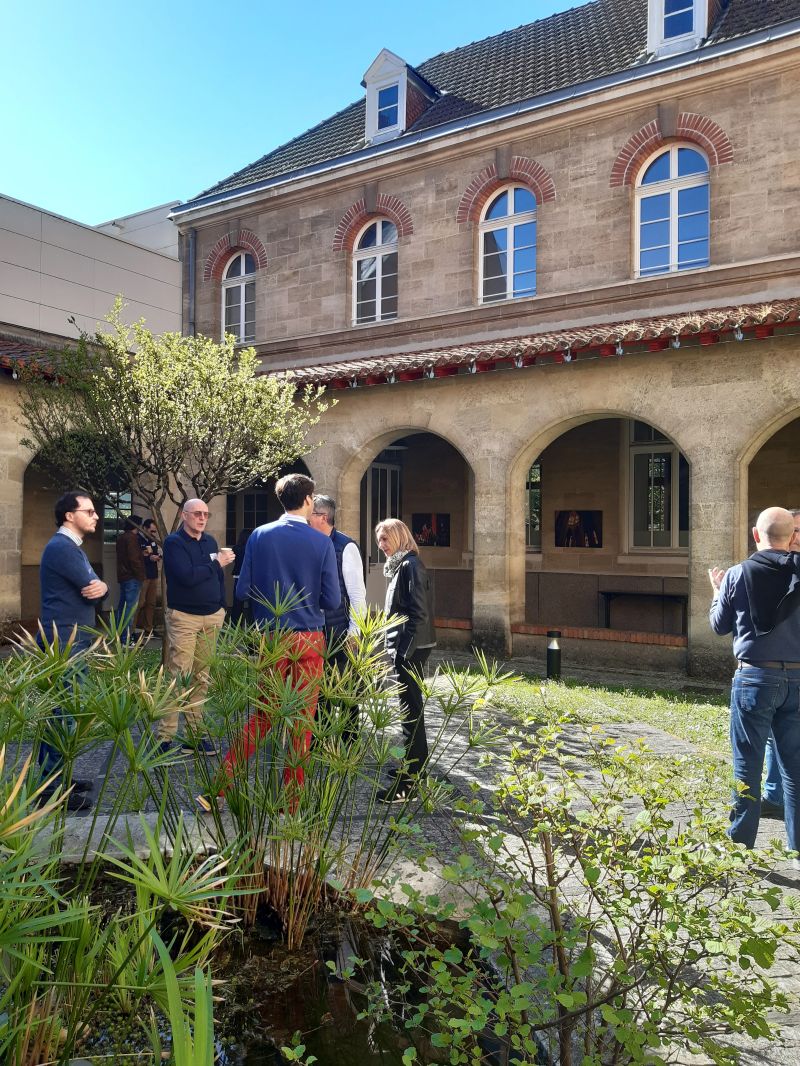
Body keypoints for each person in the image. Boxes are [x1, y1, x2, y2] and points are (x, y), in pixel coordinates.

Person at [199, 473, 339, 809]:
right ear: (309, 500)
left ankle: (217, 787)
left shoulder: (259, 536)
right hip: (308, 637)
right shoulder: (322, 542)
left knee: (262, 716)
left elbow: (244, 589)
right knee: (302, 721)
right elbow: (332, 600)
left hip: (271, 636)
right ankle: (291, 805)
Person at [709, 506, 800, 862]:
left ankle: (739, 846)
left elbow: (718, 626)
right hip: (798, 677)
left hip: (755, 677)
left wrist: (717, 592)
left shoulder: (737, 574)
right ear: (792, 536)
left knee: (747, 764)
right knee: (795, 769)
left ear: (755, 535)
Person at [36, 490, 108, 811]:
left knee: (65, 713)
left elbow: (96, 587)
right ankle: (50, 790)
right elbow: (92, 591)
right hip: (63, 642)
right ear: (69, 515)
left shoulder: (69, 548)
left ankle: (58, 779)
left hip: (71, 640)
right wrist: (101, 586)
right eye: (89, 511)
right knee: (60, 714)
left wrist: (101, 585)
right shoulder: (62, 548)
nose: (95, 516)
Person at [160, 499, 234, 754]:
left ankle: (195, 736)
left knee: (202, 678)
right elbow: (187, 577)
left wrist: (221, 606)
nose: (202, 518)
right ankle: (165, 738)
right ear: (184, 515)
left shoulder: (210, 542)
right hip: (185, 616)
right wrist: (217, 563)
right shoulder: (174, 543)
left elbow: (215, 577)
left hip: (212, 616)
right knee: (179, 675)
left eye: (206, 514)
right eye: (197, 514)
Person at [375, 518, 436, 803]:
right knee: (410, 711)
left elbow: (419, 613)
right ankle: (415, 769)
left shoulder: (411, 565)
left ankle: (410, 782)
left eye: (385, 539)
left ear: (399, 538)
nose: (381, 545)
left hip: (410, 649)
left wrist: (403, 652)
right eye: (379, 540)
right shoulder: (403, 565)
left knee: (410, 713)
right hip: (407, 648)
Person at [309, 494, 367, 743]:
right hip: (314, 629)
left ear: (322, 517)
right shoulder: (309, 542)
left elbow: (356, 593)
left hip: (340, 630)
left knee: (344, 688)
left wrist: (355, 632)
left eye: (309, 513)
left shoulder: (346, 546)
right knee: (318, 690)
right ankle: (319, 741)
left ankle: (349, 739)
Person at [761, 506, 800, 817]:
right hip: (779, 671)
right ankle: (774, 796)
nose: (795, 538)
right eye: (793, 531)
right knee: (779, 735)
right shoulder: (771, 570)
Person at [115, 515, 145, 643]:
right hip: (132, 577)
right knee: (129, 610)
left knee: (122, 608)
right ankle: (125, 638)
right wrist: (140, 575)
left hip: (124, 576)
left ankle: (119, 636)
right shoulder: (132, 538)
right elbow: (134, 560)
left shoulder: (122, 537)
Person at [134, 517, 162, 637]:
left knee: (151, 603)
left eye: (155, 531)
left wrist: (157, 556)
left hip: (153, 574)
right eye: (151, 531)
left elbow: (154, 553)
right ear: (144, 528)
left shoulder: (153, 540)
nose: (153, 533)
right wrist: (148, 557)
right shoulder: (137, 539)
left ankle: (148, 629)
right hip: (143, 575)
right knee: (140, 603)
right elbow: (136, 556)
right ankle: (132, 629)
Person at [229, 527, 254, 627]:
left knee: (237, 604)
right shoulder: (253, 548)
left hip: (238, 577)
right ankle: (252, 628)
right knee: (252, 605)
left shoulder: (236, 548)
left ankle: (235, 627)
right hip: (251, 578)